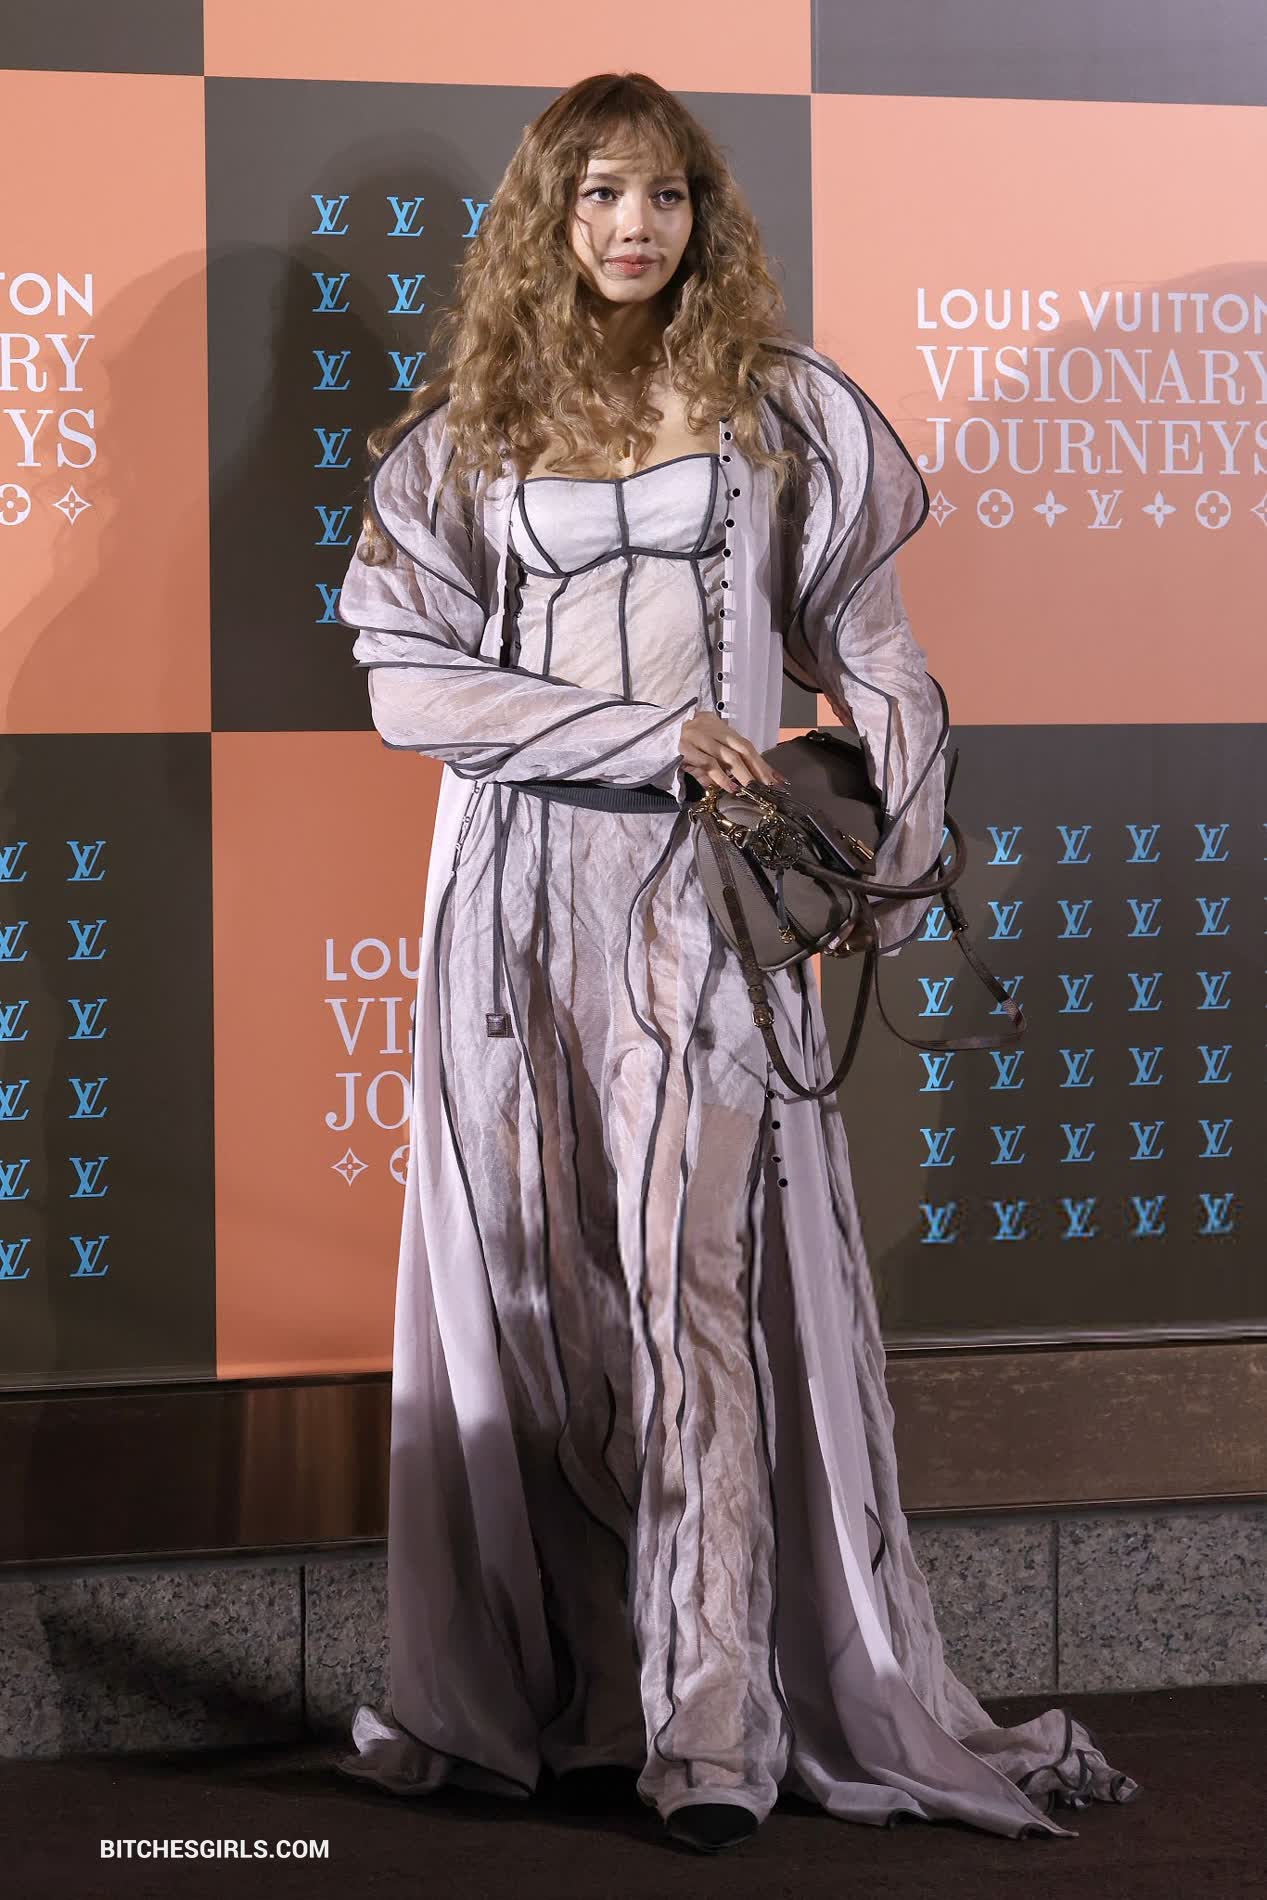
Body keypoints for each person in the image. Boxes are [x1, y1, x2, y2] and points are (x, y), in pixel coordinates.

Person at [333, 71, 1140, 1855]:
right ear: (550, 217)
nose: (636, 226)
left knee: (697, 1286)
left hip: (709, 907)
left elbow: (879, 653)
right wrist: (644, 733)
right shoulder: (467, 430)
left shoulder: (782, 412)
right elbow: (405, 680)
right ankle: (578, 1701)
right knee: (543, 1301)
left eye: (668, 194)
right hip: (515, 911)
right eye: (601, 194)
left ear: (706, 216)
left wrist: (893, 875)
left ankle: (712, 1725)